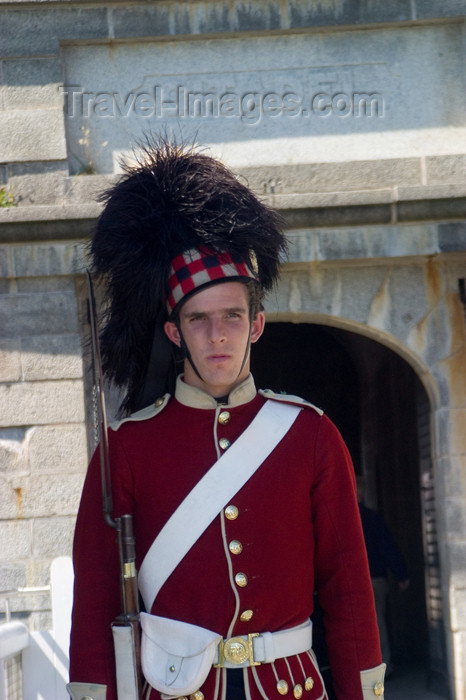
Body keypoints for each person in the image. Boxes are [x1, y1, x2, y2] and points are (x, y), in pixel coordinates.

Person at [67, 139, 386, 700]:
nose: (218, 336)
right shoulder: (127, 446)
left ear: (256, 325)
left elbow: (349, 589)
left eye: (233, 317)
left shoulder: (310, 435)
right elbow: (95, 598)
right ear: (174, 333)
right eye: (199, 320)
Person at [356, 477, 410, 677]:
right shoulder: (371, 517)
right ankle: (382, 666)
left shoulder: (341, 519)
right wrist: (401, 574)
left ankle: (360, 670)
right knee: (377, 625)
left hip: (350, 583)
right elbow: (387, 547)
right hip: (375, 579)